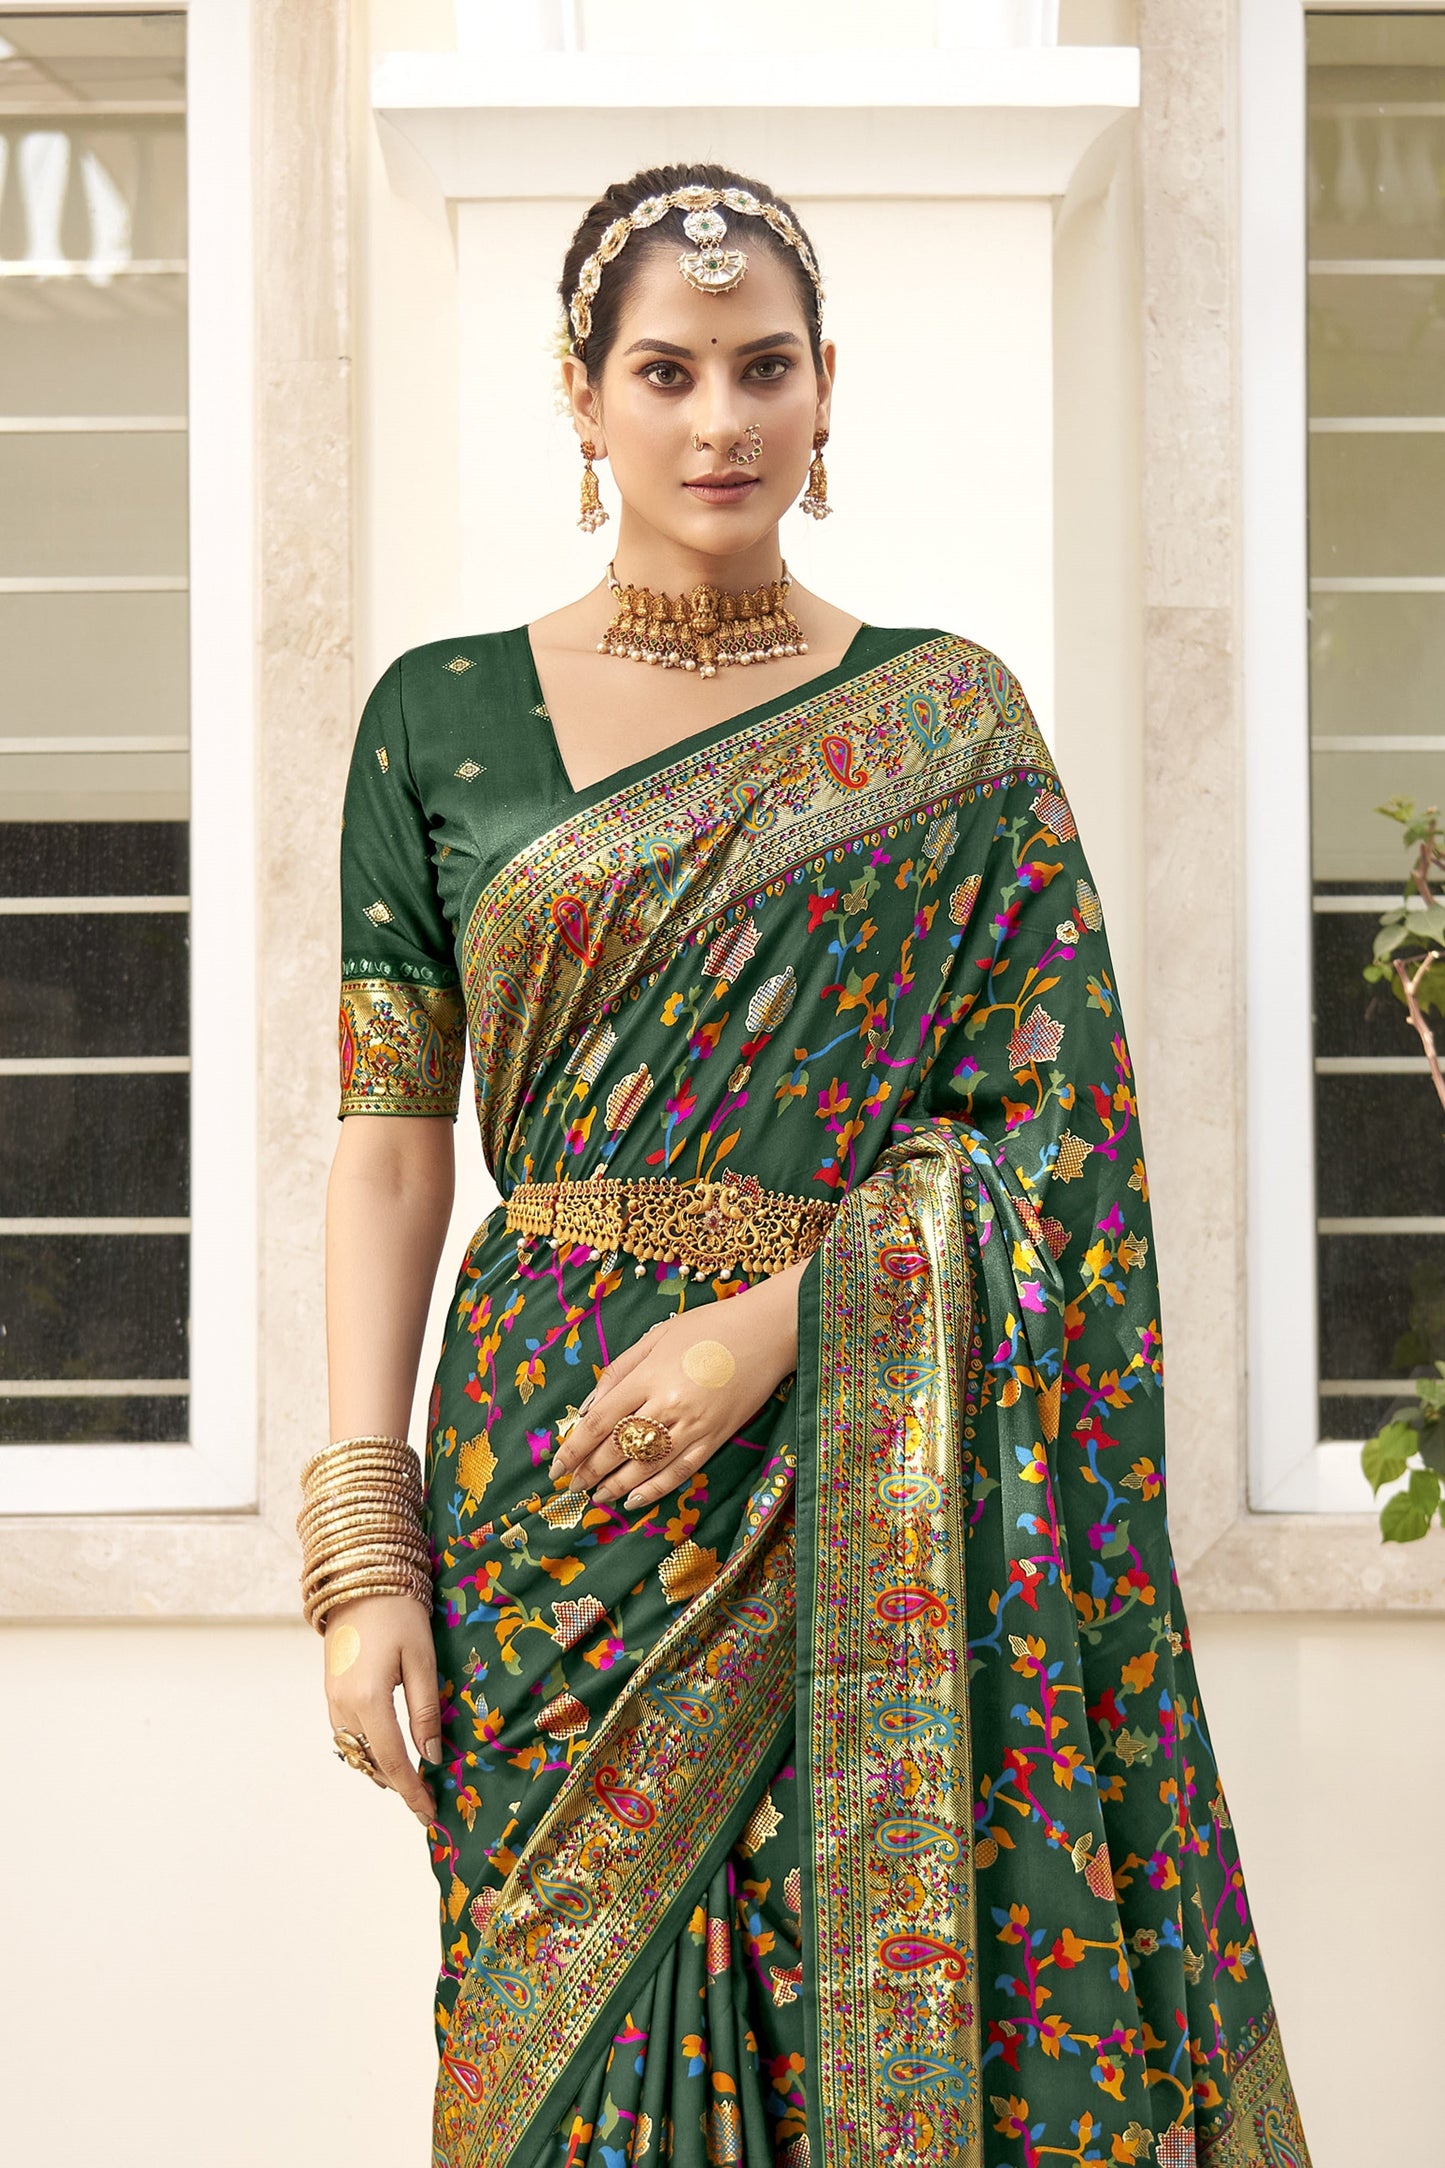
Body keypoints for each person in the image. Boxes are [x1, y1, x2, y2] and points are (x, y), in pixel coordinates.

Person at [306, 163, 1311, 2168]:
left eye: (764, 367)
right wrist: (363, 1550)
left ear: (827, 387)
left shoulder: (951, 728)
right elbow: (389, 1151)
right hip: (547, 1478)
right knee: (545, 2044)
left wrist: (785, 1322)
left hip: (856, 1446)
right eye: (666, 371)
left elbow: (1062, 1148)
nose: (719, 419)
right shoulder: (437, 720)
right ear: (580, 395)